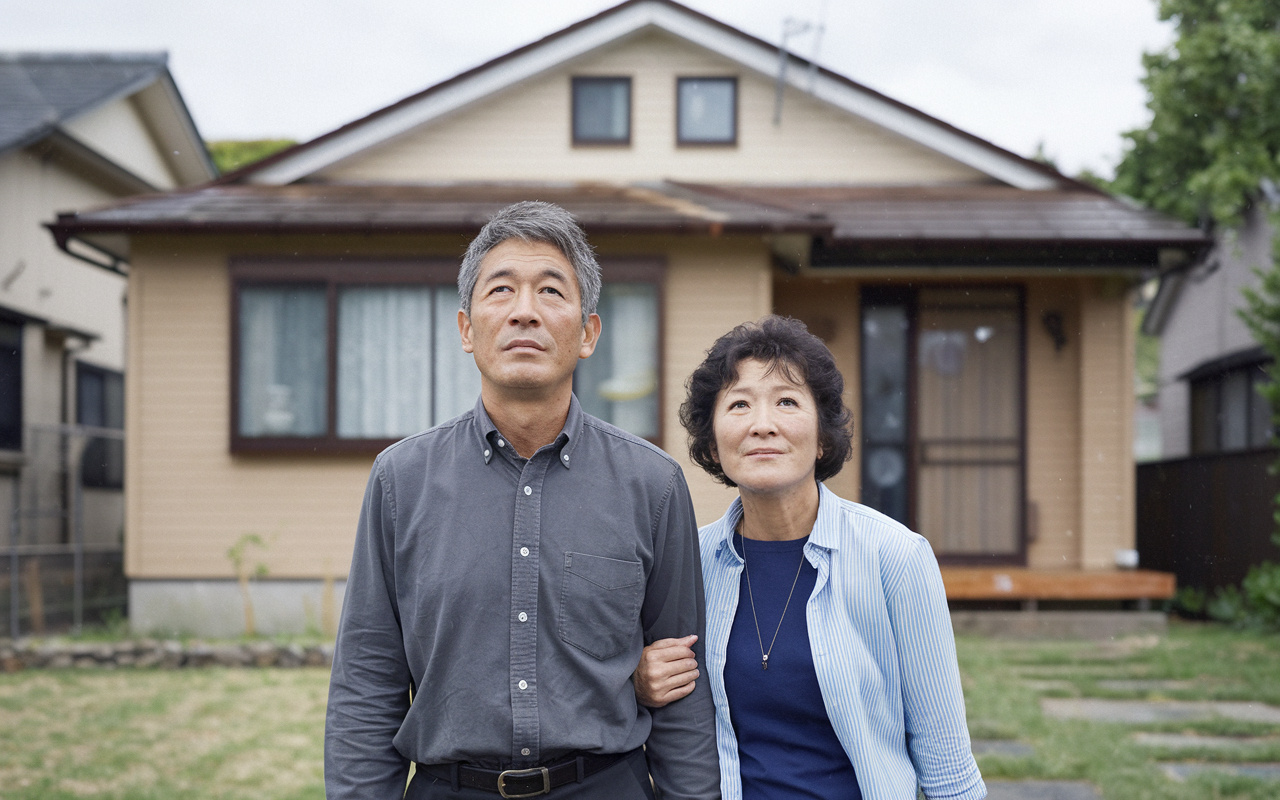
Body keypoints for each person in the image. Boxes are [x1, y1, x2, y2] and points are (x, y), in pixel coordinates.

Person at [326, 201, 720, 800]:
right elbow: (367, 682)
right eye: (501, 290)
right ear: (466, 329)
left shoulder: (653, 485)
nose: (524, 313)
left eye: (551, 292)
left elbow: (682, 689)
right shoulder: (399, 481)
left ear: (587, 333)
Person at [633, 316, 985, 800]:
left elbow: (945, 756)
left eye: (786, 401)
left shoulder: (895, 557)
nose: (763, 425)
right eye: (739, 404)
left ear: (822, 438)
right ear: (713, 446)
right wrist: (638, 682)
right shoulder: (690, 559)